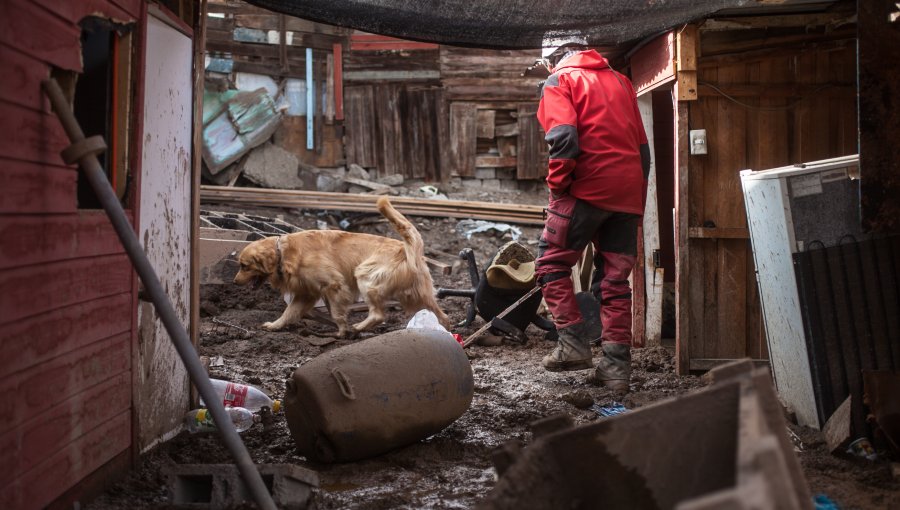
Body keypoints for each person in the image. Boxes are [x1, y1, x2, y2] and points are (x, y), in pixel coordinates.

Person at [534, 33, 651, 392]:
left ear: (552, 60)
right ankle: (616, 371)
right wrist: (633, 196)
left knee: (550, 264)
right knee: (615, 282)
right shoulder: (621, 81)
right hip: (628, 193)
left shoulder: (560, 79)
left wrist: (558, 186)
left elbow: (565, 138)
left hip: (585, 188)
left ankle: (572, 345)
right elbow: (643, 151)